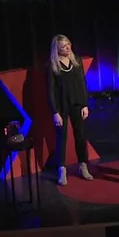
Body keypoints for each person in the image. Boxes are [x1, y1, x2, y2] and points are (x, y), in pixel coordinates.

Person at [47, 34, 93, 185]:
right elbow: (50, 91)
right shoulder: (52, 65)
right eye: (63, 46)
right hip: (61, 107)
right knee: (62, 138)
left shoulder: (77, 61)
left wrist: (85, 104)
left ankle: (83, 166)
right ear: (57, 49)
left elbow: (82, 83)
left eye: (68, 45)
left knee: (80, 136)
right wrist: (55, 112)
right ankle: (62, 170)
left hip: (77, 104)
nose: (67, 48)